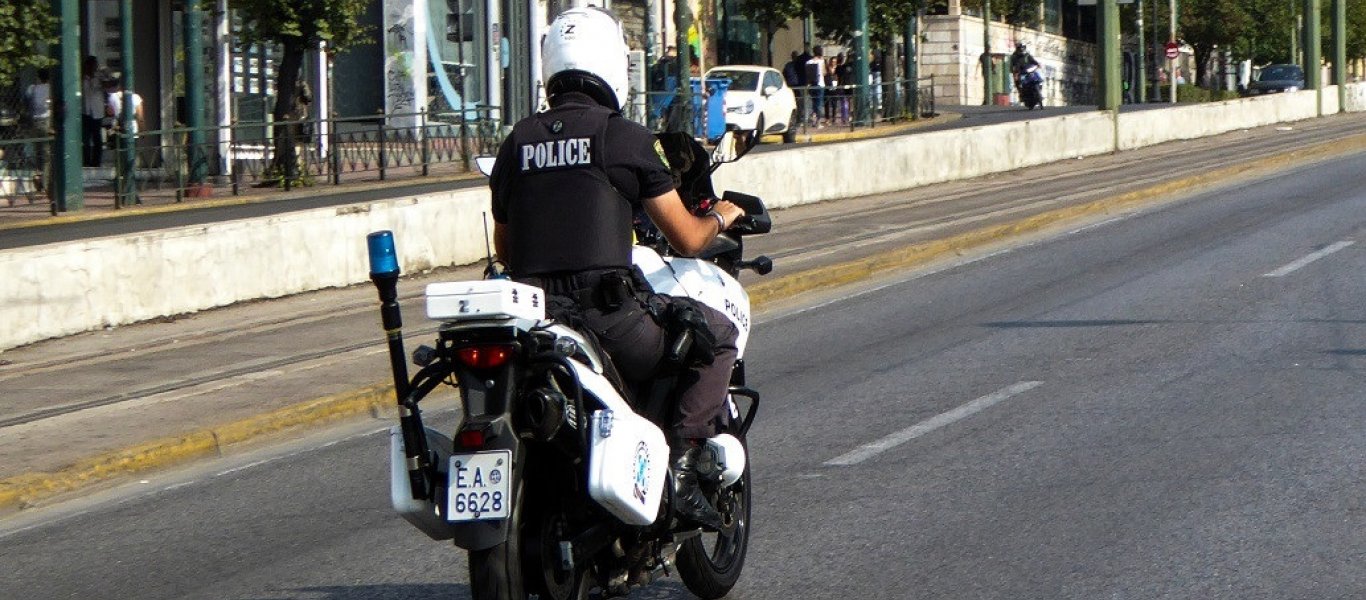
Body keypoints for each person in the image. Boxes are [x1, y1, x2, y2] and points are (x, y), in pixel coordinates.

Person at [488, 7, 746, 532]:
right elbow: (687, 238)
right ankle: (684, 470)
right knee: (716, 335)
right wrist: (723, 214)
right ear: (612, 65)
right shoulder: (624, 137)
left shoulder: (517, 141)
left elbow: (506, 248)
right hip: (607, 319)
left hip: (535, 320)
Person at [23, 69, 52, 196]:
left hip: (35, 121)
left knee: (37, 151)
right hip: (46, 121)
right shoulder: (50, 89)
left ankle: (37, 173)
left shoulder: (32, 88)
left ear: (38, 77)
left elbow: (26, 103)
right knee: (46, 154)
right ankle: (44, 184)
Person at [81, 56, 105, 167]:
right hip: (85, 112)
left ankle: (96, 162)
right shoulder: (81, 79)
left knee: (97, 139)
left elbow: (111, 87)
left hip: (97, 113)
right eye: (92, 65)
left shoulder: (99, 78)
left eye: (95, 65)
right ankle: (86, 162)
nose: (94, 68)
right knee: (85, 140)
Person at [805, 46, 826, 126]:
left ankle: (813, 119)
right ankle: (818, 122)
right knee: (819, 103)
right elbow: (824, 72)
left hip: (811, 85)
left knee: (814, 103)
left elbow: (807, 75)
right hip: (820, 84)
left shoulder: (808, 62)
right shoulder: (821, 61)